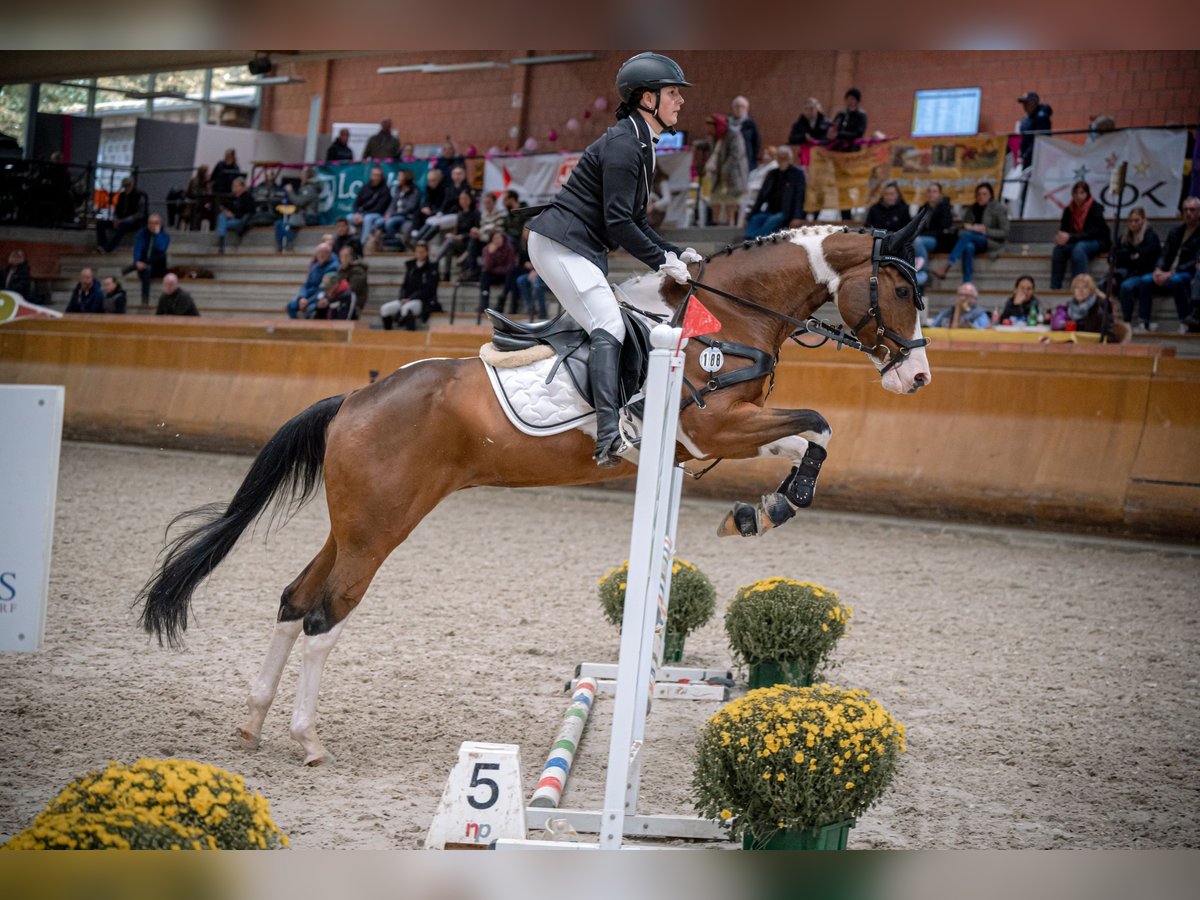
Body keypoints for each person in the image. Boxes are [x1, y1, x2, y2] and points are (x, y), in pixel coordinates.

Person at [527, 51, 699, 466]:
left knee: (620, 320)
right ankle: (607, 432)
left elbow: (635, 218)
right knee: (609, 322)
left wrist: (673, 251)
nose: (680, 101)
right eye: (672, 93)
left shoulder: (642, 142)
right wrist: (662, 260)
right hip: (561, 244)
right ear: (646, 98)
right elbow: (619, 223)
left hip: (579, 246)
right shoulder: (625, 143)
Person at [1123, 196, 1200, 332]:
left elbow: (1195, 261)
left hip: (1188, 273)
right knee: (1146, 280)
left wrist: (1170, 273)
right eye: (1185, 210)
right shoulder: (1175, 231)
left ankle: (1185, 320)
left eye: (1192, 210)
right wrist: (1158, 269)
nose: (1188, 213)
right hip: (1167, 271)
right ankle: (1144, 322)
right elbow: (1164, 253)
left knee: (1176, 280)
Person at [932, 182, 1009, 284]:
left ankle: (947, 266)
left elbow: (1005, 232)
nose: (981, 197)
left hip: (991, 242)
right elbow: (962, 229)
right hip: (972, 240)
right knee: (968, 246)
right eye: (979, 194)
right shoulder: (972, 209)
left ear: (990, 195)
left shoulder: (998, 208)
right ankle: (967, 283)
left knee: (968, 236)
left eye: (984, 194)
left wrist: (985, 230)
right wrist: (972, 229)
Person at [1050, 181, 1110, 289]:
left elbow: (1093, 233)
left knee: (1079, 248)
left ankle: (1078, 287)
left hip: (1097, 241)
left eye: (1082, 193)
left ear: (1087, 194)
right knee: (1058, 250)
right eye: (1076, 193)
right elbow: (1064, 230)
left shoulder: (1095, 208)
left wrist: (1070, 237)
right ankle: (1055, 287)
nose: (1078, 196)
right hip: (1076, 241)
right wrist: (1060, 238)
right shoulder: (1069, 210)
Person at [1114, 208, 1163, 330]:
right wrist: (1131, 257)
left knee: (1126, 286)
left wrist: (1130, 257)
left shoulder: (1150, 236)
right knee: (1105, 284)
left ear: (1143, 220)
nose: (1133, 224)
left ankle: (1128, 320)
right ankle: (1110, 321)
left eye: (1136, 220)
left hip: (1147, 272)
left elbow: (1144, 260)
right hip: (1130, 272)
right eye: (1130, 221)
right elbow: (1116, 256)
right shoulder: (1124, 237)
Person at [744, 145, 806, 239]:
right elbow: (761, 196)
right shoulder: (772, 174)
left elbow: (800, 197)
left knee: (773, 220)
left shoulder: (797, 174)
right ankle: (748, 240)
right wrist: (751, 215)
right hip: (770, 210)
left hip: (786, 213)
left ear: (790, 159)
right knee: (756, 218)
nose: (782, 161)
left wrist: (797, 216)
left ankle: (758, 240)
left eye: (785, 158)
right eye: (780, 158)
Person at [379, 241, 440, 330]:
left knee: (406, 309)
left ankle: (410, 334)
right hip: (406, 299)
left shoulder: (432, 268)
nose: (419, 254)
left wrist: (411, 298)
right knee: (385, 309)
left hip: (423, 301)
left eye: (422, 251)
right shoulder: (411, 267)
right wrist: (402, 298)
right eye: (417, 251)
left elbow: (428, 289)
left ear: (427, 253)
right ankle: (388, 334)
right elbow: (404, 286)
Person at [702, 113, 748, 226]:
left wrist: (725, 169)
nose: (709, 131)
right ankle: (715, 222)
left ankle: (730, 223)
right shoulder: (715, 137)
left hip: (733, 173)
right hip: (717, 173)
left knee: (731, 199)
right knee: (715, 197)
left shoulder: (734, 134)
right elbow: (714, 151)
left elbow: (736, 155)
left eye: (710, 127)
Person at [828, 89, 867, 220]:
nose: (850, 101)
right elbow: (833, 129)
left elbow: (858, 134)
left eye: (853, 99)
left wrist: (840, 135)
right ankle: (845, 215)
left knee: (849, 185)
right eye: (848, 98)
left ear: (857, 101)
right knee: (841, 187)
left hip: (851, 157)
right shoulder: (841, 115)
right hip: (838, 156)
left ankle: (850, 215)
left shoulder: (861, 116)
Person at [912, 182, 956, 285]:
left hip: (939, 240)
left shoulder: (945, 208)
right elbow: (917, 226)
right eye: (930, 191)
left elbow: (943, 229)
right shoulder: (923, 208)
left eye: (935, 191)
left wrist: (924, 234)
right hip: (924, 238)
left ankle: (924, 271)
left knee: (918, 241)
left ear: (940, 194)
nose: (932, 194)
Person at [1062, 273, 1124, 341]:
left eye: (1084, 287)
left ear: (1091, 290)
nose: (1080, 291)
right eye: (1077, 288)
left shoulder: (1101, 307)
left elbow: (1110, 337)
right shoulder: (1069, 308)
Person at [286, 243, 340, 318]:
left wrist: (308, 301)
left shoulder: (333, 267)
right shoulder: (315, 266)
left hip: (320, 297)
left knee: (311, 309)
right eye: (319, 252)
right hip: (307, 296)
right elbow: (306, 284)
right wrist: (302, 297)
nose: (321, 255)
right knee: (291, 306)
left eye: (324, 252)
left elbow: (325, 288)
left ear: (329, 254)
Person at [275, 166, 322, 252]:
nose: (301, 178)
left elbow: (299, 202)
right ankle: (281, 246)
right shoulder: (305, 188)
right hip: (301, 216)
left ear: (307, 177)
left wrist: (290, 191)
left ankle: (289, 245)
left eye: (302, 175)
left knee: (284, 225)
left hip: (308, 217)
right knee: (278, 223)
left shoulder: (309, 189)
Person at [96, 177, 148, 253]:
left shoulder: (140, 195)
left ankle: (108, 248)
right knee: (100, 223)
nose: (127, 188)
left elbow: (141, 213)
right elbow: (117, 209)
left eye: (128, 186)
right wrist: (115, 218)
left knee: (123, 225)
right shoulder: (122, 195)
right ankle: (103, 245)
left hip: (135, 222)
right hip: (122, 220)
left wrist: (122, 220)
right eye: (125, 186)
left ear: (132, 185)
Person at [130, 213, 169, 305]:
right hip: (144, 266)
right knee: (146, 269)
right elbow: (138, 248)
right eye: (151, 223)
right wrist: (137, 261)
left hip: (157, 266)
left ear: (160, 224)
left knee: (162, 256)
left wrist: (157, 234)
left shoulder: (165, 236)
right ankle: (145, 298)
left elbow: (161, 248)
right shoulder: (142, 234)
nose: (153, 225)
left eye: (156, 223)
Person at [351, 166, 392, 249]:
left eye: (378, 175)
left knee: (368, 219)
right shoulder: (365, 187)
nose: (376, 177)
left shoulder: (385, 190)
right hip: (363, 213)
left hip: (378, 214)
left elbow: (379, 208)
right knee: (349, 218)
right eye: (374, 175)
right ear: (371, 176)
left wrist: (362, 215)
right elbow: (356, 203)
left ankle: (362, 244)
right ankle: (350, 243)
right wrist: (357, 213)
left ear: (381, 177)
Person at [478, 230, 517, 315]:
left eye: (499, 238)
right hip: (493, 275)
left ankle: (503, 297)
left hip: (505, 276)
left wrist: (497, 269)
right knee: (484, 275)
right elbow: (486, 268)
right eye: (495, 238)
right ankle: (484, 304)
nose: (498, 240)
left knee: (512, 273)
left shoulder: (509, 248)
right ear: (491, 240)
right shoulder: (486, 249)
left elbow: (510, 266)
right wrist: (490, 254)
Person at [382, 170, 421, 249]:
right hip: (396, 215)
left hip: (407, 216)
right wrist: (388, 213)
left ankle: (396, 244)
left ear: (406, 178)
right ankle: (391, 243)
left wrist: (392, 214)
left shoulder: (414, 191)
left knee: (390, 222)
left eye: (400, 176)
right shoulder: (398, 189)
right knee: (380, 221)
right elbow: (392, 204)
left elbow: (410, 208)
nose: (398, 178)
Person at [216, 177, 255, 254]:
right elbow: (229, 207)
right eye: (233, 186)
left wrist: (234, 216)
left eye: (236, 186)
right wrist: (224, 209)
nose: (234, 188)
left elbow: (249, 213)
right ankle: (221, 241)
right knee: (221, 216)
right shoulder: (233, 197)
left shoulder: (248, 198)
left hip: (241, 220)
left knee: (224, 224)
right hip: (231, 218)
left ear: (242, 187)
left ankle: (221, 242)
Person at [1017, 92, 1053, 170]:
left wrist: (1025, 157)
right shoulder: (1027, 118)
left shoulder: (1041, 117)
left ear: (1034, 103)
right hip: (1027, 159)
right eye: (1023, 103)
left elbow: (1039, 140)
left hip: (1037, 159)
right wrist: (1021, 154)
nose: (1024, 106)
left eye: (1026, 103)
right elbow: (1024, 139)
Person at [728, 95, 759, 182]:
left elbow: (756, 144)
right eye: (737, 106)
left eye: (742, 107)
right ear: (733, 108)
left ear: (746, 109)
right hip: (729, 161)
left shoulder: (750, 124)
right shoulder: (727, 123)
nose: (739, 109)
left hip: (745, 161)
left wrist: (752, 161)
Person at [336, 244, 369, 317]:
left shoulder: (358, 270)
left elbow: (352, 288)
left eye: (346, 256)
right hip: (340, 301)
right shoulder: (340, 270)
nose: (343, 259)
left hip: (354, 304)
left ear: (352, 257)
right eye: (341, 256)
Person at [184, 165, 214, 231]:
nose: (208, 174)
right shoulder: (195, 180)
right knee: (199, 209)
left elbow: (209, 194)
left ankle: (212, 229)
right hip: (193, 203)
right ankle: (195, 228)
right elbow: (193, 193)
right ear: (203, 173)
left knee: (212, 209)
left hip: (203, 203)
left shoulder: (207, 182)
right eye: (207, 172)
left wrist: (208, 183)